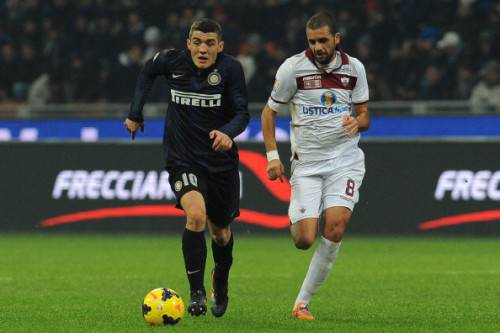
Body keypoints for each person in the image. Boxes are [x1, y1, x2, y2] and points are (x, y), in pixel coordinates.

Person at [125, 18, 249, 318]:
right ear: (188, 43)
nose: (202, 49)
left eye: (209, 43)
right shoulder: (172, 61)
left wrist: (227, 133)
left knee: (220, 233)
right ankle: (196, 293)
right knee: (195, 215)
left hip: (220, 163)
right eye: (197, 42)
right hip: (183, 158)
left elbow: (242, 113)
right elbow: (147, 72)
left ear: (220, 47)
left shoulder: (231, 70)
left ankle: (220, 278)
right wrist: (135, 113)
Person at [261, 12, 370, 320]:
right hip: (306, 165)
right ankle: (300, 213)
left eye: (323, 40)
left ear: (337, 38)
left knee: (335, 227)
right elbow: (268, 114)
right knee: (304, 240)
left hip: (344, 161)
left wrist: (356, 123)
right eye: (312, 41)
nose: (318, 46)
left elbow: (365, 116)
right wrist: (272, 157)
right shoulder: (292, 69)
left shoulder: (354, 69)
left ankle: (302, 303)